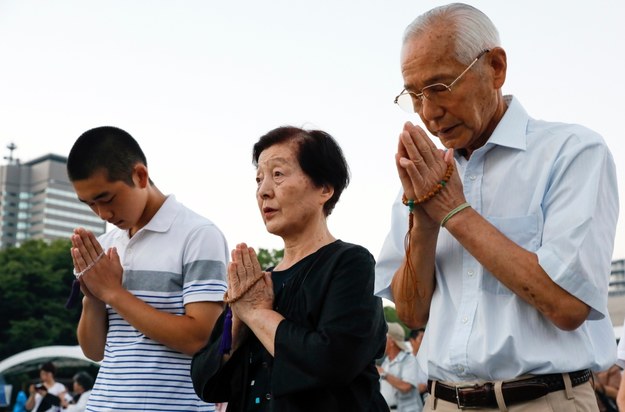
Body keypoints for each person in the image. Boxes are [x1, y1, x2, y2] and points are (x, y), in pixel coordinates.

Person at [374, 3, 619, 411]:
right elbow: (412, 313)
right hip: (442, 401)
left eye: (440, 87)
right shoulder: (429, 178)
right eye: (414, 96)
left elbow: (567, 305)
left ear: (496, 68)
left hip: (544, 401)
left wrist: (455, 213)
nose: (429, 113)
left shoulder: (571, 152)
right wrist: (424, 218)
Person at [190, 126, 388, 411]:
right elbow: (205, 381)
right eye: (258, 179)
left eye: (278, 175)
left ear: (324, 189)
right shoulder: (255, 284)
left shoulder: (351, 263)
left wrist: (258, 315)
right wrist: (237, 322)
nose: (263, 191)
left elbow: (333, 363)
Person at [66, 126, 228, 411]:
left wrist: (113, 293)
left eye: (107, 199)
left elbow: (201, 339)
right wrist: (93, 297)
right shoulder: (104, 244)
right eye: (90, 205)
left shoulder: (199, 234)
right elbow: (93, 351)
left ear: (139, 176)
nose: (103, 214)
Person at [377, 323, 423, 411]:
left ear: (391, 342)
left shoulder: (409, 360)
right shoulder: (385, 363)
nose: (380, 340)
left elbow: (406, 387)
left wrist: (384, 374)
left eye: (383, 337)